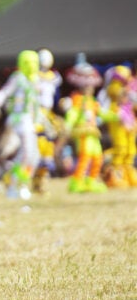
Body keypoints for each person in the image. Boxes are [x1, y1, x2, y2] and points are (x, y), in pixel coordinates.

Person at [0, 50, 41, 199]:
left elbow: (34, 105)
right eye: (29, 63)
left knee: (34, 155)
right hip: (18, 119)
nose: (32, 66)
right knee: (26, 152)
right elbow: (5, 92)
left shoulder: (34, 81)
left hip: (29, 122)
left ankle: (22, 183)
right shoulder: (18, 78)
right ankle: (13, 185)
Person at [64, 53, 113, 193]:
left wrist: (117, 116)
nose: (91, 89)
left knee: (97, 158)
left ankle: (91, 180)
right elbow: (72, 114)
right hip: (83, 134)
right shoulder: (78, 99)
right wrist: (68, 125)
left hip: (93, 134)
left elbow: (103, 113)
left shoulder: (93, 101)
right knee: (84, 158)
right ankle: (76, 181)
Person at [33, 48, 64, 193]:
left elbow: (56, 98)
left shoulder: (54, 77)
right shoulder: (33, 76)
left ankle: (43, 181)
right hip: (36, 113)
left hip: (48, 114)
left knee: (48, 147)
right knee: (38, 145)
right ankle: (35, 180)